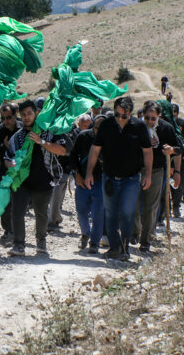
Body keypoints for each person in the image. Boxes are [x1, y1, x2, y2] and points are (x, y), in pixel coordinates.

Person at [85, 96, 152, 261]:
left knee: (128, 213)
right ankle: (115, 248)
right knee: (111, 214)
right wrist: (89, 173)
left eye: (124, 116)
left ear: (130, 114)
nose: (120, 119)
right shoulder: (106, 125)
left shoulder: (139, 126)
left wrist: (148, 174)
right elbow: (95, 149)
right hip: (109, 177)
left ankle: (125, 247)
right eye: (117, 115)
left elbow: (147, 151)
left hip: (131, 178)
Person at [6, 100, 72, 256]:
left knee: (41, 214)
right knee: (17, 212)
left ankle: (41, 241)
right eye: (23, 115)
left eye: (29, 113)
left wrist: (41, 142)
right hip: (22, 181)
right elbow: (7, 158)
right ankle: (18, 245)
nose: (27, 117)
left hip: (44, 181)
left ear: (36, 113)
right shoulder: (17, 137)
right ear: (19, 116)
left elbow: (63, 150)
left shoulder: (49, 132)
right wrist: (11, 164)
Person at [132, 101, 181, 253]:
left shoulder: (166, 128)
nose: (150, 121)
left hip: (156, 170)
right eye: (147, 118)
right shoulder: (135, 127)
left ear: (158, 116)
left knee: (151, 207)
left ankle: (146, 240)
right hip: (136, 170)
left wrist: (171, 149)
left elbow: (180, 147)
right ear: (142, 115)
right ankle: (134, 232)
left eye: (153, 118)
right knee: (133, 203)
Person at [70, 114, 107, 254]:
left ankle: (94, 243)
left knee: (98, 213)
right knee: (81, 211)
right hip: (82, 181)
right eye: (98, 128)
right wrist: (77, 175)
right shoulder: (84, 137)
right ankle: (86, 233)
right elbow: (73, 156)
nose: (100, 131)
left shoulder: (111, 140)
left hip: (101, 182)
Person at [0, 103, 23, 245]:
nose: (6, 121)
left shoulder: (22, 129)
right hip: (4, 172)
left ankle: (18, 231)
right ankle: (8, 230)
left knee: (19, 203)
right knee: (4, 202)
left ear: (15, 115)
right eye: (3, 118)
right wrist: (4, 146)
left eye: (9, 117)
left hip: (21, 173)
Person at [47, 115, 87, 231]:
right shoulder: (47, 132)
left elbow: (71, 149)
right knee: (52, 196)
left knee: (56, 195)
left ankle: (52, 221)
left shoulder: (68, 133)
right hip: (49, 168)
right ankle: (54, 218)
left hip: (63, 169)